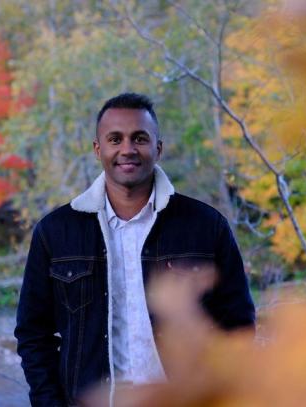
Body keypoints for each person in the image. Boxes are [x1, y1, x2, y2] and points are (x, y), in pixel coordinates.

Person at [15, 92, 255, 406]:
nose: (127, 149)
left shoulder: (206, 226)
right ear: (98, 149)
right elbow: (33, 335)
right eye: (115, 139)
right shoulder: (56, 231)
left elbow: (238, 328)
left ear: (158, 148)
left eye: (139, 138)